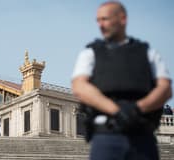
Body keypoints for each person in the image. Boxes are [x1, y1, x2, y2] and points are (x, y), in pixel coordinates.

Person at [71, 1, 172, 160]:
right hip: (106, 136)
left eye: (105, 19)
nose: (100, 25)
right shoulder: (90, 53)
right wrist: (118, 111)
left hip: (142, 135)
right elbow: (80, 87)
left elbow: (165, 89)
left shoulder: (148, 53)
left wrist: (137, 109)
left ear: (122, 19)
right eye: (98, 20)